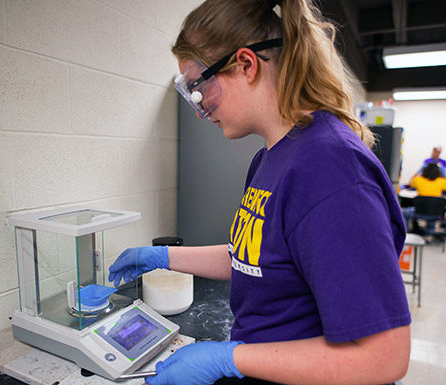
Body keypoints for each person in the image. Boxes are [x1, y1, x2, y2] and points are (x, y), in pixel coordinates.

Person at [109, 1, 411, 384]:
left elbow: (383, 358)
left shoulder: (329, 169)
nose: (200, 110)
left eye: (200, 89)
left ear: (247, 65)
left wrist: (229, 359)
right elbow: (255, 259)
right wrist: (163, 256)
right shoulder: (269, 158)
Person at [403, 163, 446, 234]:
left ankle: (405, 233)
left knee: (404, 212)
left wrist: (418, 171)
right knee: (433, 208)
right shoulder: (441, 181)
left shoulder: (418, 180)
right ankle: (429, 233)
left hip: (419, 212)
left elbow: (411, 183)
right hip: (436, 214)